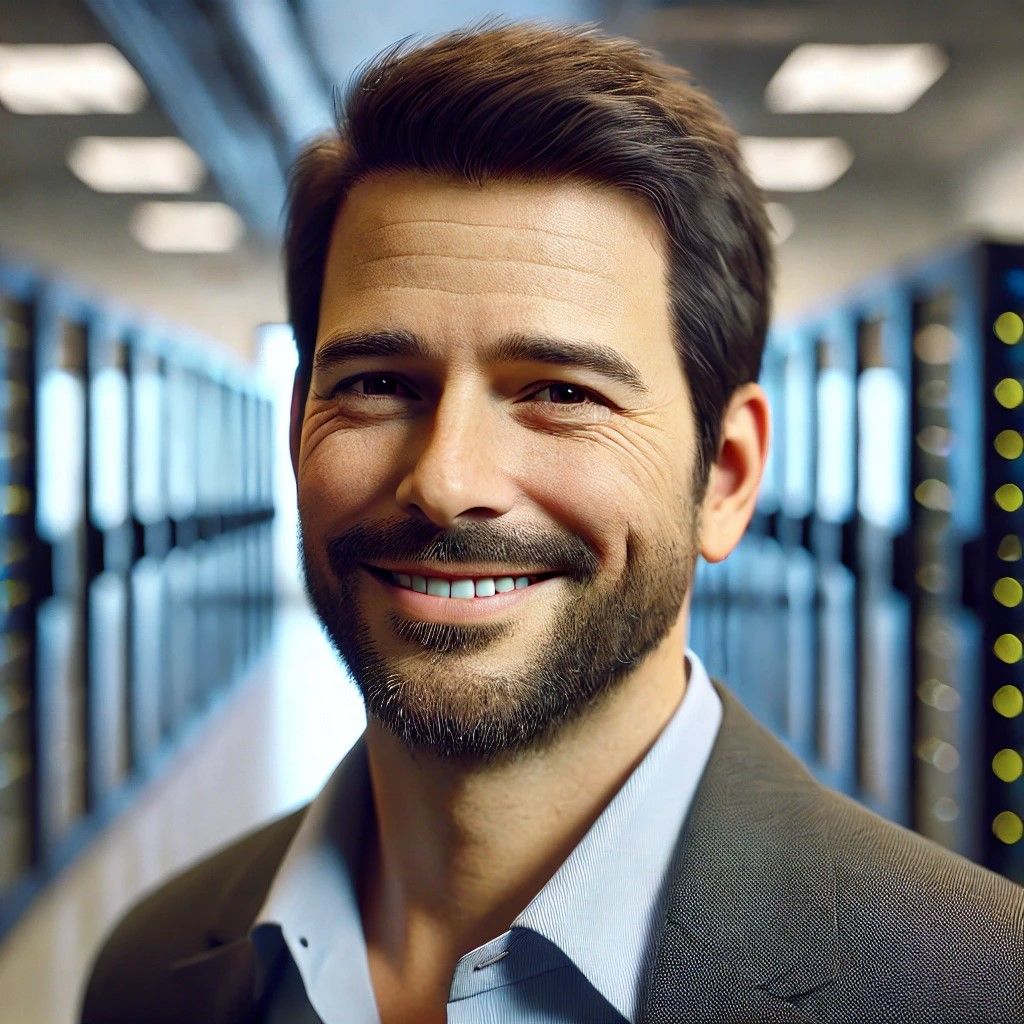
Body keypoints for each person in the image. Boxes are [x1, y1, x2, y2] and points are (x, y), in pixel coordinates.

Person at [81, 20, 1023, 1024]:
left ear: (727, 475)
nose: (444, 481)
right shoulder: (151, 966)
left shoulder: (975, 986)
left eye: (561, 392)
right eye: (380, 383)